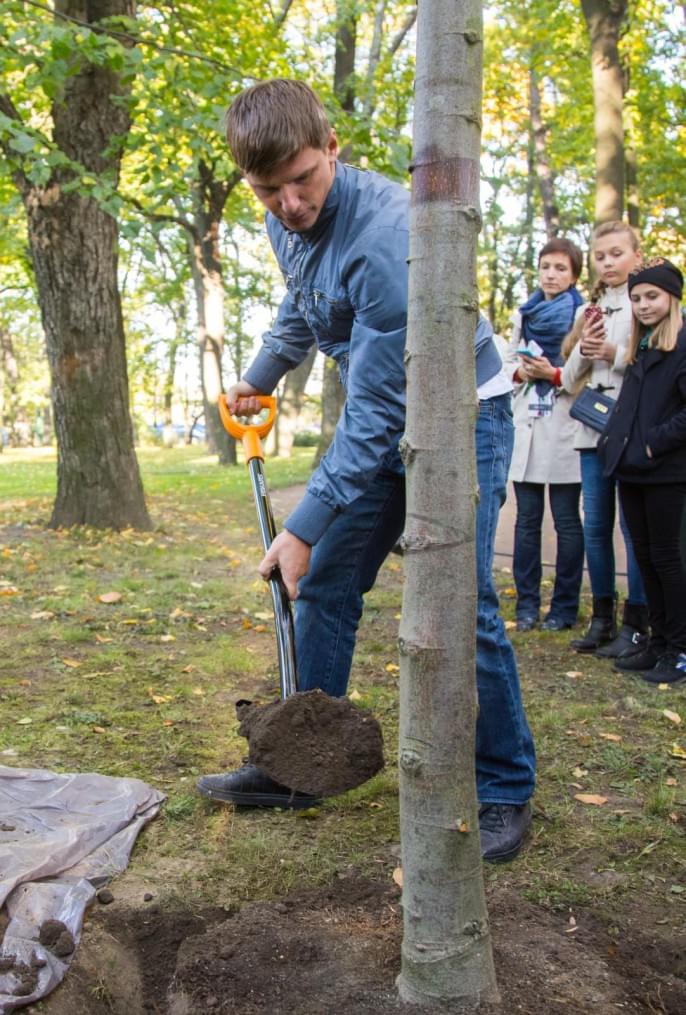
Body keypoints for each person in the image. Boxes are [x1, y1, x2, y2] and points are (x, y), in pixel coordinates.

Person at [196, 79, 535, 863]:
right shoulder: (286, 220)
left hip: (461, 412)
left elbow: (380, 413)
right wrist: (260, 374)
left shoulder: (388, 238)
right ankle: (297, 764)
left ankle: (507, 786)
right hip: (391, 399)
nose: (288, 204)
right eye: (267, 189)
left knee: (461, 602)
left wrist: (303, 524)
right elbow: (304, 304)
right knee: (324, 584)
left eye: (303, 181)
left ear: (333, 149)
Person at [598, 258, 686, 685]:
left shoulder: (682, 343)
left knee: (668, 559)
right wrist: (615, 441)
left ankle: (680, 650)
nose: (643, 305)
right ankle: (657, 642)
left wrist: (655, 442)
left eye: (652, 296)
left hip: (666, 470)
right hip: (631, 469)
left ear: (672, 296)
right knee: (647, 559)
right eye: (636, 298)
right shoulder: (642, 346)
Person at [562, 222, 647, 657]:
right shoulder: (587, 310)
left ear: (636, 254)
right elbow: (571, 377)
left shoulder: (648, 302)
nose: (608, 262)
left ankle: (638, 622)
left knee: (634, 530)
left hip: (631, 432)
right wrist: (586, 347)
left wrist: (614, 355)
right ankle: (601, 619)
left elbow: (658, 369)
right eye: (600, 256)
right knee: (595, 526)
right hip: (591, 432)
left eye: (617, 253)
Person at [506, 239, 585, 632]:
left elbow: (585, 372)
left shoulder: (584, 313)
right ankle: (526, 604)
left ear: (573, 275)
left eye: (560, 268)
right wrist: (523, 372)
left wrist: (551, 373)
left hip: (567, 428)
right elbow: (506, 365)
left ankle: (565, 608)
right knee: (526, 522)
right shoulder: (525, 314)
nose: (551, 275)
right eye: (546, 267)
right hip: (529, 429)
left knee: (568, 522)